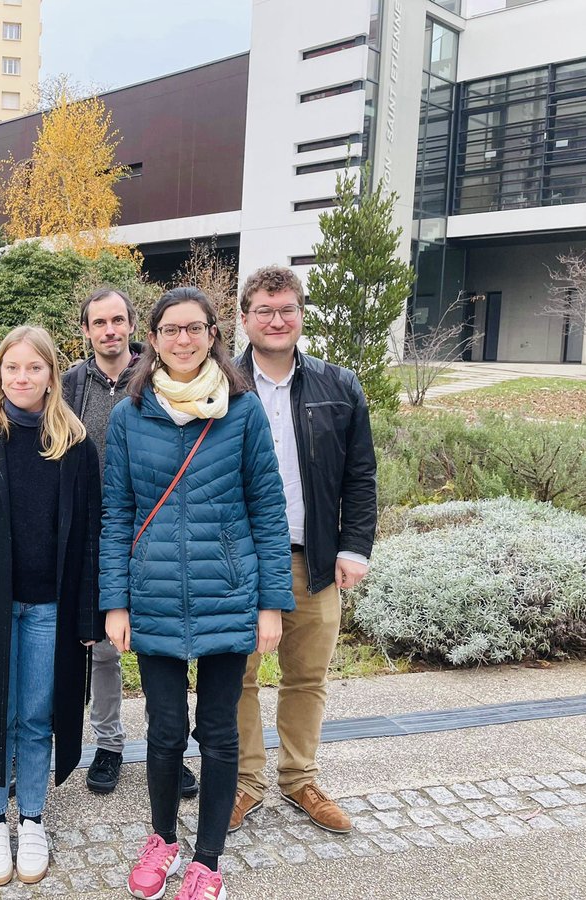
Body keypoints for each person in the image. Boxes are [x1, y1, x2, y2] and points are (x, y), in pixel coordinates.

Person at [101, 287, 292, 900]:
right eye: (170, 329)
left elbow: (268, 509)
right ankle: (162, 838)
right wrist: (115, 601)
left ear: (213, 334)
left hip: (227, 592)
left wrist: (270, 603)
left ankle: (208, 857)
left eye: (194, 328)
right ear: (151, 340)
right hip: (152, 595)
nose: (182, 339)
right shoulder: (130, 416)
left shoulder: (242, 411)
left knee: (218, 731)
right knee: (162, 730)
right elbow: (117, 514)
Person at [0, 325, 103, 887]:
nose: (22, 378)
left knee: (35, 718)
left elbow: (89, 538)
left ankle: (31, 816)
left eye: (34, 368)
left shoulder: (75, 447)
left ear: (52, 375)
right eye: (12, 368)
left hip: (48, 607)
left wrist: (88, 614)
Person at [230, 265, 377, 835]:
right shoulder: (222, 385)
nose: (275, 319)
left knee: (306, 676)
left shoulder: (339, 387)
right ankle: (244, 780)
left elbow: (360, 477)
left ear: (300, 315)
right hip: (236, 560)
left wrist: (354, 547)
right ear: (245, 318)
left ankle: (300, 777)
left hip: (310, 559)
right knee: (234, 677)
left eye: (286, 309)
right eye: (263, 310)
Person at [63, 287, 198, 799]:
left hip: (157, 532)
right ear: (86, 330)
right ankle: (110, 745)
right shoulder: (71, 384)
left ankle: (171, 749)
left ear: (133, 326)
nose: (109, 331)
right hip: (95, 534)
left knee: (166, 646)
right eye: (99, 323)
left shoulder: (160, 378)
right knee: (102, 648)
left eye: (118, 320)